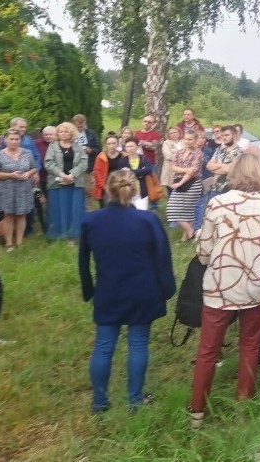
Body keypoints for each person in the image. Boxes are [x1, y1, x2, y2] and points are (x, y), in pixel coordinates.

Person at [189, 154, 260, 428]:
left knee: (208, 349)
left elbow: (204, 249)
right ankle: (243, 405)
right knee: (250, 345)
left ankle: (197, 411)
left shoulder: (217, 203)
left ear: (234, 173)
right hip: (255, 284)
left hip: (221, 284)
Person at [79, 169, 175, 412]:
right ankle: (134, 400)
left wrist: (89, 289)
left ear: (107, 190)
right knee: (139, 344)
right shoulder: (148, 220)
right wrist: (166, 289)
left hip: (108, 289)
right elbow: (163, 257)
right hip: (143, 290)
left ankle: (99, 402)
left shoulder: (91, 221)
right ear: (135, 190)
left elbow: (83, 261)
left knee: (103, 345)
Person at [45, 122, 88, 243]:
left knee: (74, 209)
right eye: (61, 131)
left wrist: (72, 175)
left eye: (66, 131)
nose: (63, 134)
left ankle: (72, 236)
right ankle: (57, 234)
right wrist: (62, 175)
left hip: (75, 182)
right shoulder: (53, 146)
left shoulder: (77, 147)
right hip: (57, 182)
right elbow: (48, 163)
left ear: (71, 133)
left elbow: (84, 163)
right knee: (57, 208)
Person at [0, 128, 38, 251]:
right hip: (6, 189)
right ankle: (9, 243)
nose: (14, 141)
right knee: (8, 216)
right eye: (11, 139)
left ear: (20, 140)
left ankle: (20, 242)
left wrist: (28, 173)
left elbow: (34, 168)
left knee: (22, 215)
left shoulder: (27, 152)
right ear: (6, 140)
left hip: (23, 188)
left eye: (17, 139)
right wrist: (11, 175)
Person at [166, 130, 204, 241]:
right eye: (186, 139)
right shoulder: (179, 152)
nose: (187, 141)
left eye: (190, 139)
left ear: (195, 140)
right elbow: (173, 167)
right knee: (171, 210)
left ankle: (187, 235)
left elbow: (193, 172)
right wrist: (186, 170)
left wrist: (180, 183)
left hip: (193, 184)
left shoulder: (198, 154)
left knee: (188, 211)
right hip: (179, 182)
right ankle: (191, 231)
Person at [72, 114, 101, 211]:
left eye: (82, 125)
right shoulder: (70, 135)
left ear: (85, 123)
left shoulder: (91, 134)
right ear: (74, 124)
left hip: (87, 166)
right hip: (73, 167)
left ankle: (89, 209)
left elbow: (98, 148)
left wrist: (91, 150)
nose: (80, 127)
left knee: (88, 190)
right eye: (78, 125)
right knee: (77, 190)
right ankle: (78, 209)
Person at [117, 137, 153, 210]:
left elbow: (148, 170)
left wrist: (130, 171)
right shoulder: (122, 161)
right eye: (127, 147)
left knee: (141, 213)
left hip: (142, 192)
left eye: (132, 146)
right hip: (128, 193)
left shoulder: (144, 159)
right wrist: (140, 172)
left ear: (137, 147)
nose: (130, 149)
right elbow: (120, 175)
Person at [92, 134, 123, 207]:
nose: (111, 145)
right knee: (106, 207)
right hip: (105, 186)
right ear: (106, 144)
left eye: (114, 143)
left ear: (118, 144)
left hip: (119, 186)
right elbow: (97, 172)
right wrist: (104, 186)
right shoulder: (101, 157)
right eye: (109, 143)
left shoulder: (123, 156)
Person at [159, 127, 183, 194]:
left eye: (175, 132)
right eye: (171, 133)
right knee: (171, 192)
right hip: (170, 170)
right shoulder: (166, 143)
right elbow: (168, 155)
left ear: (179, 133)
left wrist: (175, 154)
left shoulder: (184, 142)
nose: (173, 134)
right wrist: (183, 157)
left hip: (183, 170)